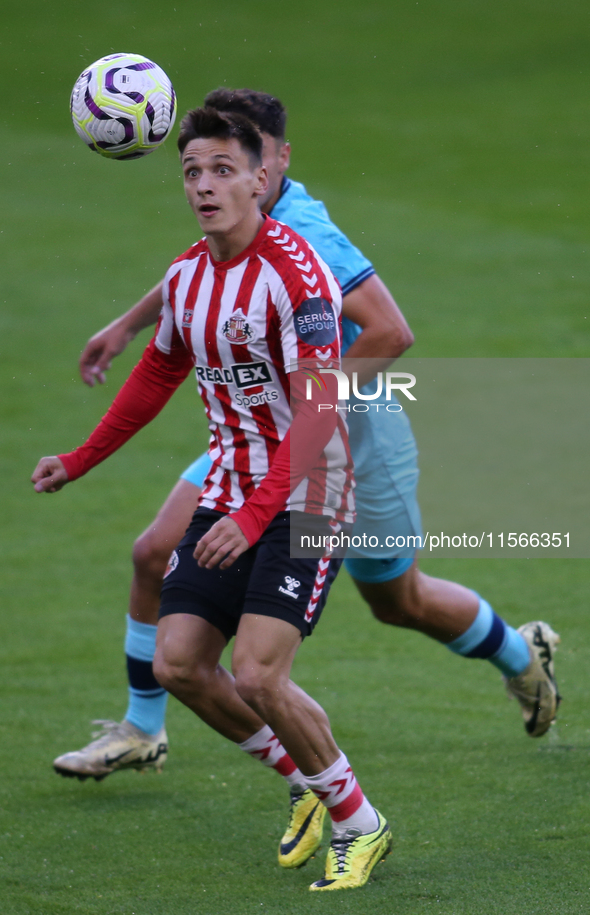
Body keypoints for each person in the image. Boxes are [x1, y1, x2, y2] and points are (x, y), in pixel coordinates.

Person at [51, 89, 560, 783]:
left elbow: (390, 332)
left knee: (397, 600)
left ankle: (520, 654)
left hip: (351, 438)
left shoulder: (307, 235)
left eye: (236, 162)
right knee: (153, 551)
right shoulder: (234, 211)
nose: (220, 180)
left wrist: (303, 409)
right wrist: (132, 322)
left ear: (273, 161)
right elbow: (198, 269)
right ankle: (143, 726)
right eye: (206, 167)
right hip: (259, 432)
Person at [32, 107, 394, 891]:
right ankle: (307, 779)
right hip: (232, 491)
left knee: (259, 673)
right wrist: (81, 458)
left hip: (306, 491)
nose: (203, 185)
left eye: (222, 169)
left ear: (261, 177)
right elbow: (158, 373)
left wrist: (256, 513)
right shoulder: (188, 275)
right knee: (180, 664)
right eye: (191, 170)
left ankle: (360, 824)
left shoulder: (298, 274)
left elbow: (319, 408)